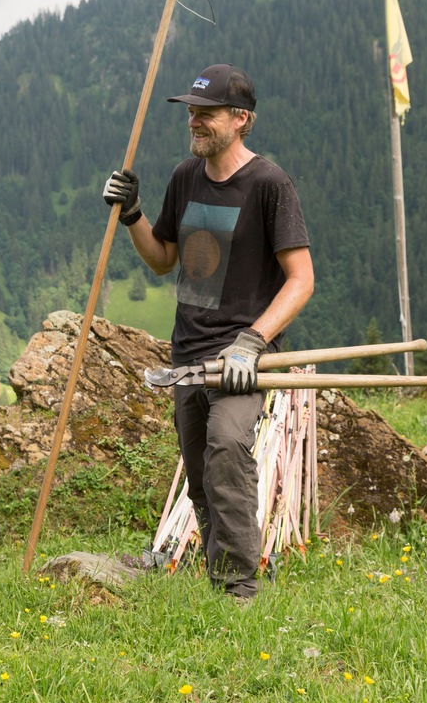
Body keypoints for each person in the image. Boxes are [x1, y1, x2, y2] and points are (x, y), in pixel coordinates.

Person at [103, 64, 313, 600]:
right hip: (187, 351)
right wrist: (132, 215)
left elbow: (301, 281)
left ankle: (240, 588)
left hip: (244, 358)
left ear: (241, 119)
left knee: (226, 449)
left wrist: (253, 341)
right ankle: (220, 575)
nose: (194, 121)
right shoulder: (184, 177)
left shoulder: (269, 185)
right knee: (199, 475)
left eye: (206, 113)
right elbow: (163, 259)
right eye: (191, 112)